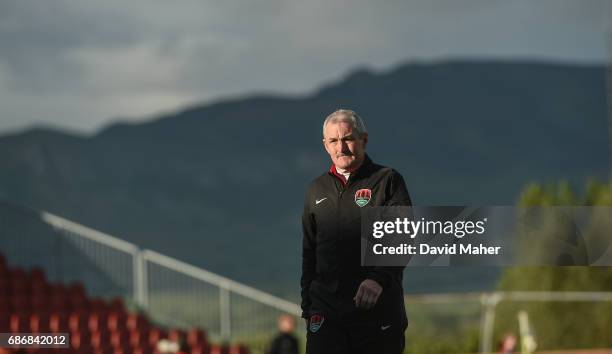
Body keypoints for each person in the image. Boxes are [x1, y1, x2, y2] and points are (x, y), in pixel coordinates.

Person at [301, 109, 412, 354]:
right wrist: (308, 307)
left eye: (348, 138)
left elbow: (404, 237)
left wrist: (378, 278)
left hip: (376, 313)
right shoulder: (316, 189)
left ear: (364, 139)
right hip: (326, 313)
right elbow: (309, 252)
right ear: (325, 145)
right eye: (333, 141)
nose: (341, 147)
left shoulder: (387, 181)